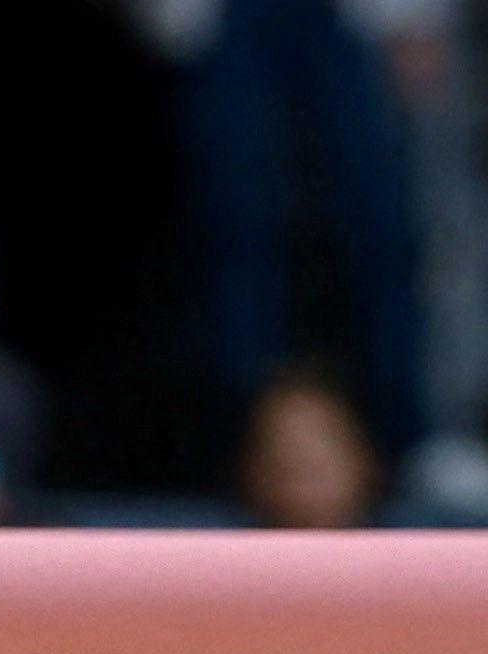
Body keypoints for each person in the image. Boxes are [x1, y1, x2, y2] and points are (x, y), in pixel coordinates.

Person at [131, 0, 441, 467]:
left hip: (349, 21)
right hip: (223, 22)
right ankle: (238, 450)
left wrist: (415, 17)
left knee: (380, 245)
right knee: (234, 242)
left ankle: (408, 443)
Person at [232, 363, 380, 531]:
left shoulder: (403, 543)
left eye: (317, 467)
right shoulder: (217, 543)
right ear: (250, 471)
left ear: (363, 461)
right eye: (284, 467)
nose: (301, 485)